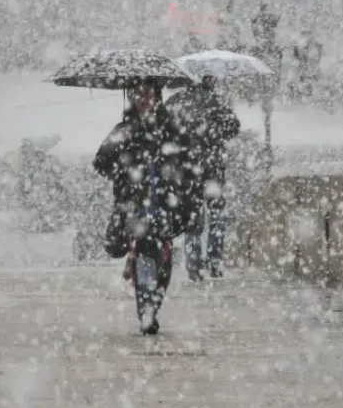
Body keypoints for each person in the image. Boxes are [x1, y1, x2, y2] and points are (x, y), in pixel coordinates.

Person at [93, 80, 200, 335]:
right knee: (143, 250)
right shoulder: (124, 129)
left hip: (164, 202)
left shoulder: (171, 127)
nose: (143, 99)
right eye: (137, 94)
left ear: (157, 97)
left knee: (163, 257)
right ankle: (145, 310)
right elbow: (101, 163)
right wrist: (122, 162)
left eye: (148, 94)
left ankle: (153, 302)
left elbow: (189, 162)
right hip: (134, 203)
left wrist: (179, 181)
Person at [166, 74, 242, 280]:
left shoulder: (176, 102)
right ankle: (215, 261)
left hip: (188, 171)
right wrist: (216, 127)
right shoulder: (216, 102)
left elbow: (166, 133)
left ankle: (194, 264)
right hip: (212, 169)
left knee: (193, 218)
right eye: (210, 77)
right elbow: (234, 127)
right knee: (216, 216)